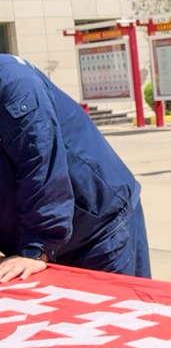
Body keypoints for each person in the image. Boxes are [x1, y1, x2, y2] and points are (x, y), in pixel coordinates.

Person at [0, 55, 150, 282]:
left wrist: (36, 248)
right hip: (29, 240)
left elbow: (40, 164)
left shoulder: (15, 82)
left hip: (98, 231)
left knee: (116, 303)